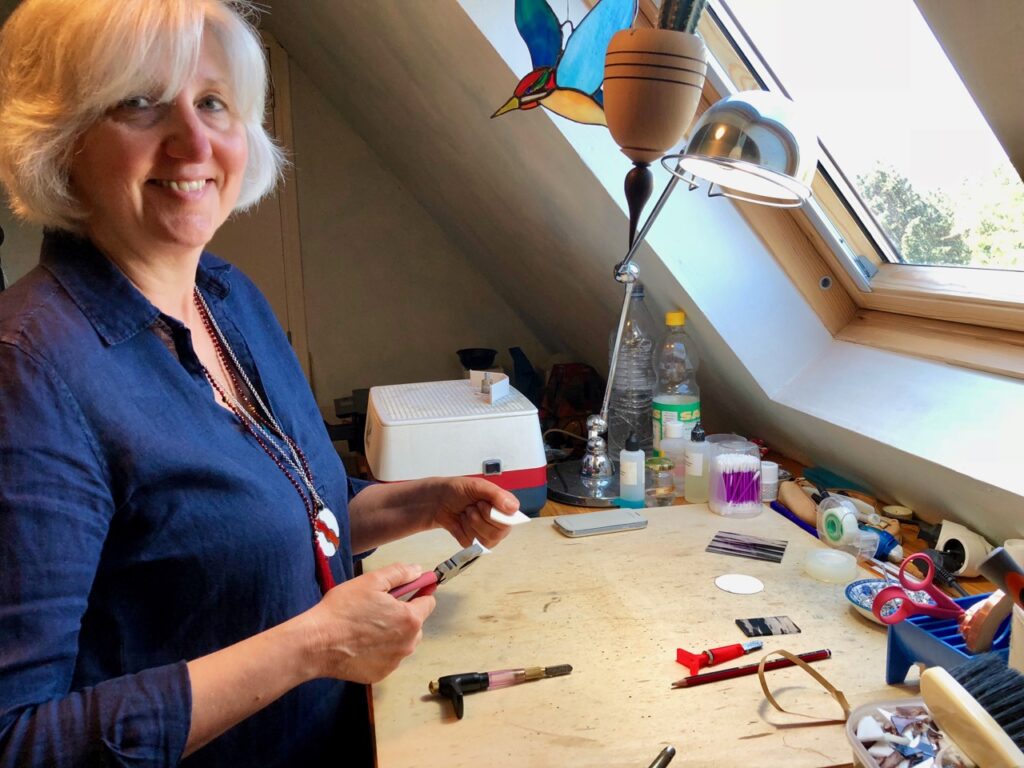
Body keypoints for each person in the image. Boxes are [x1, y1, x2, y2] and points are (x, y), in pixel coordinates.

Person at [0, 1, 520, 765]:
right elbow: (18, 739)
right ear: (60, 137)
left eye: (213, 102)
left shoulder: (226, 296)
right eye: (140, 102)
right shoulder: (29, 372)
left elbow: (294, 512)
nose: (195, 142)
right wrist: (318, 645)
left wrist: (425, 502)